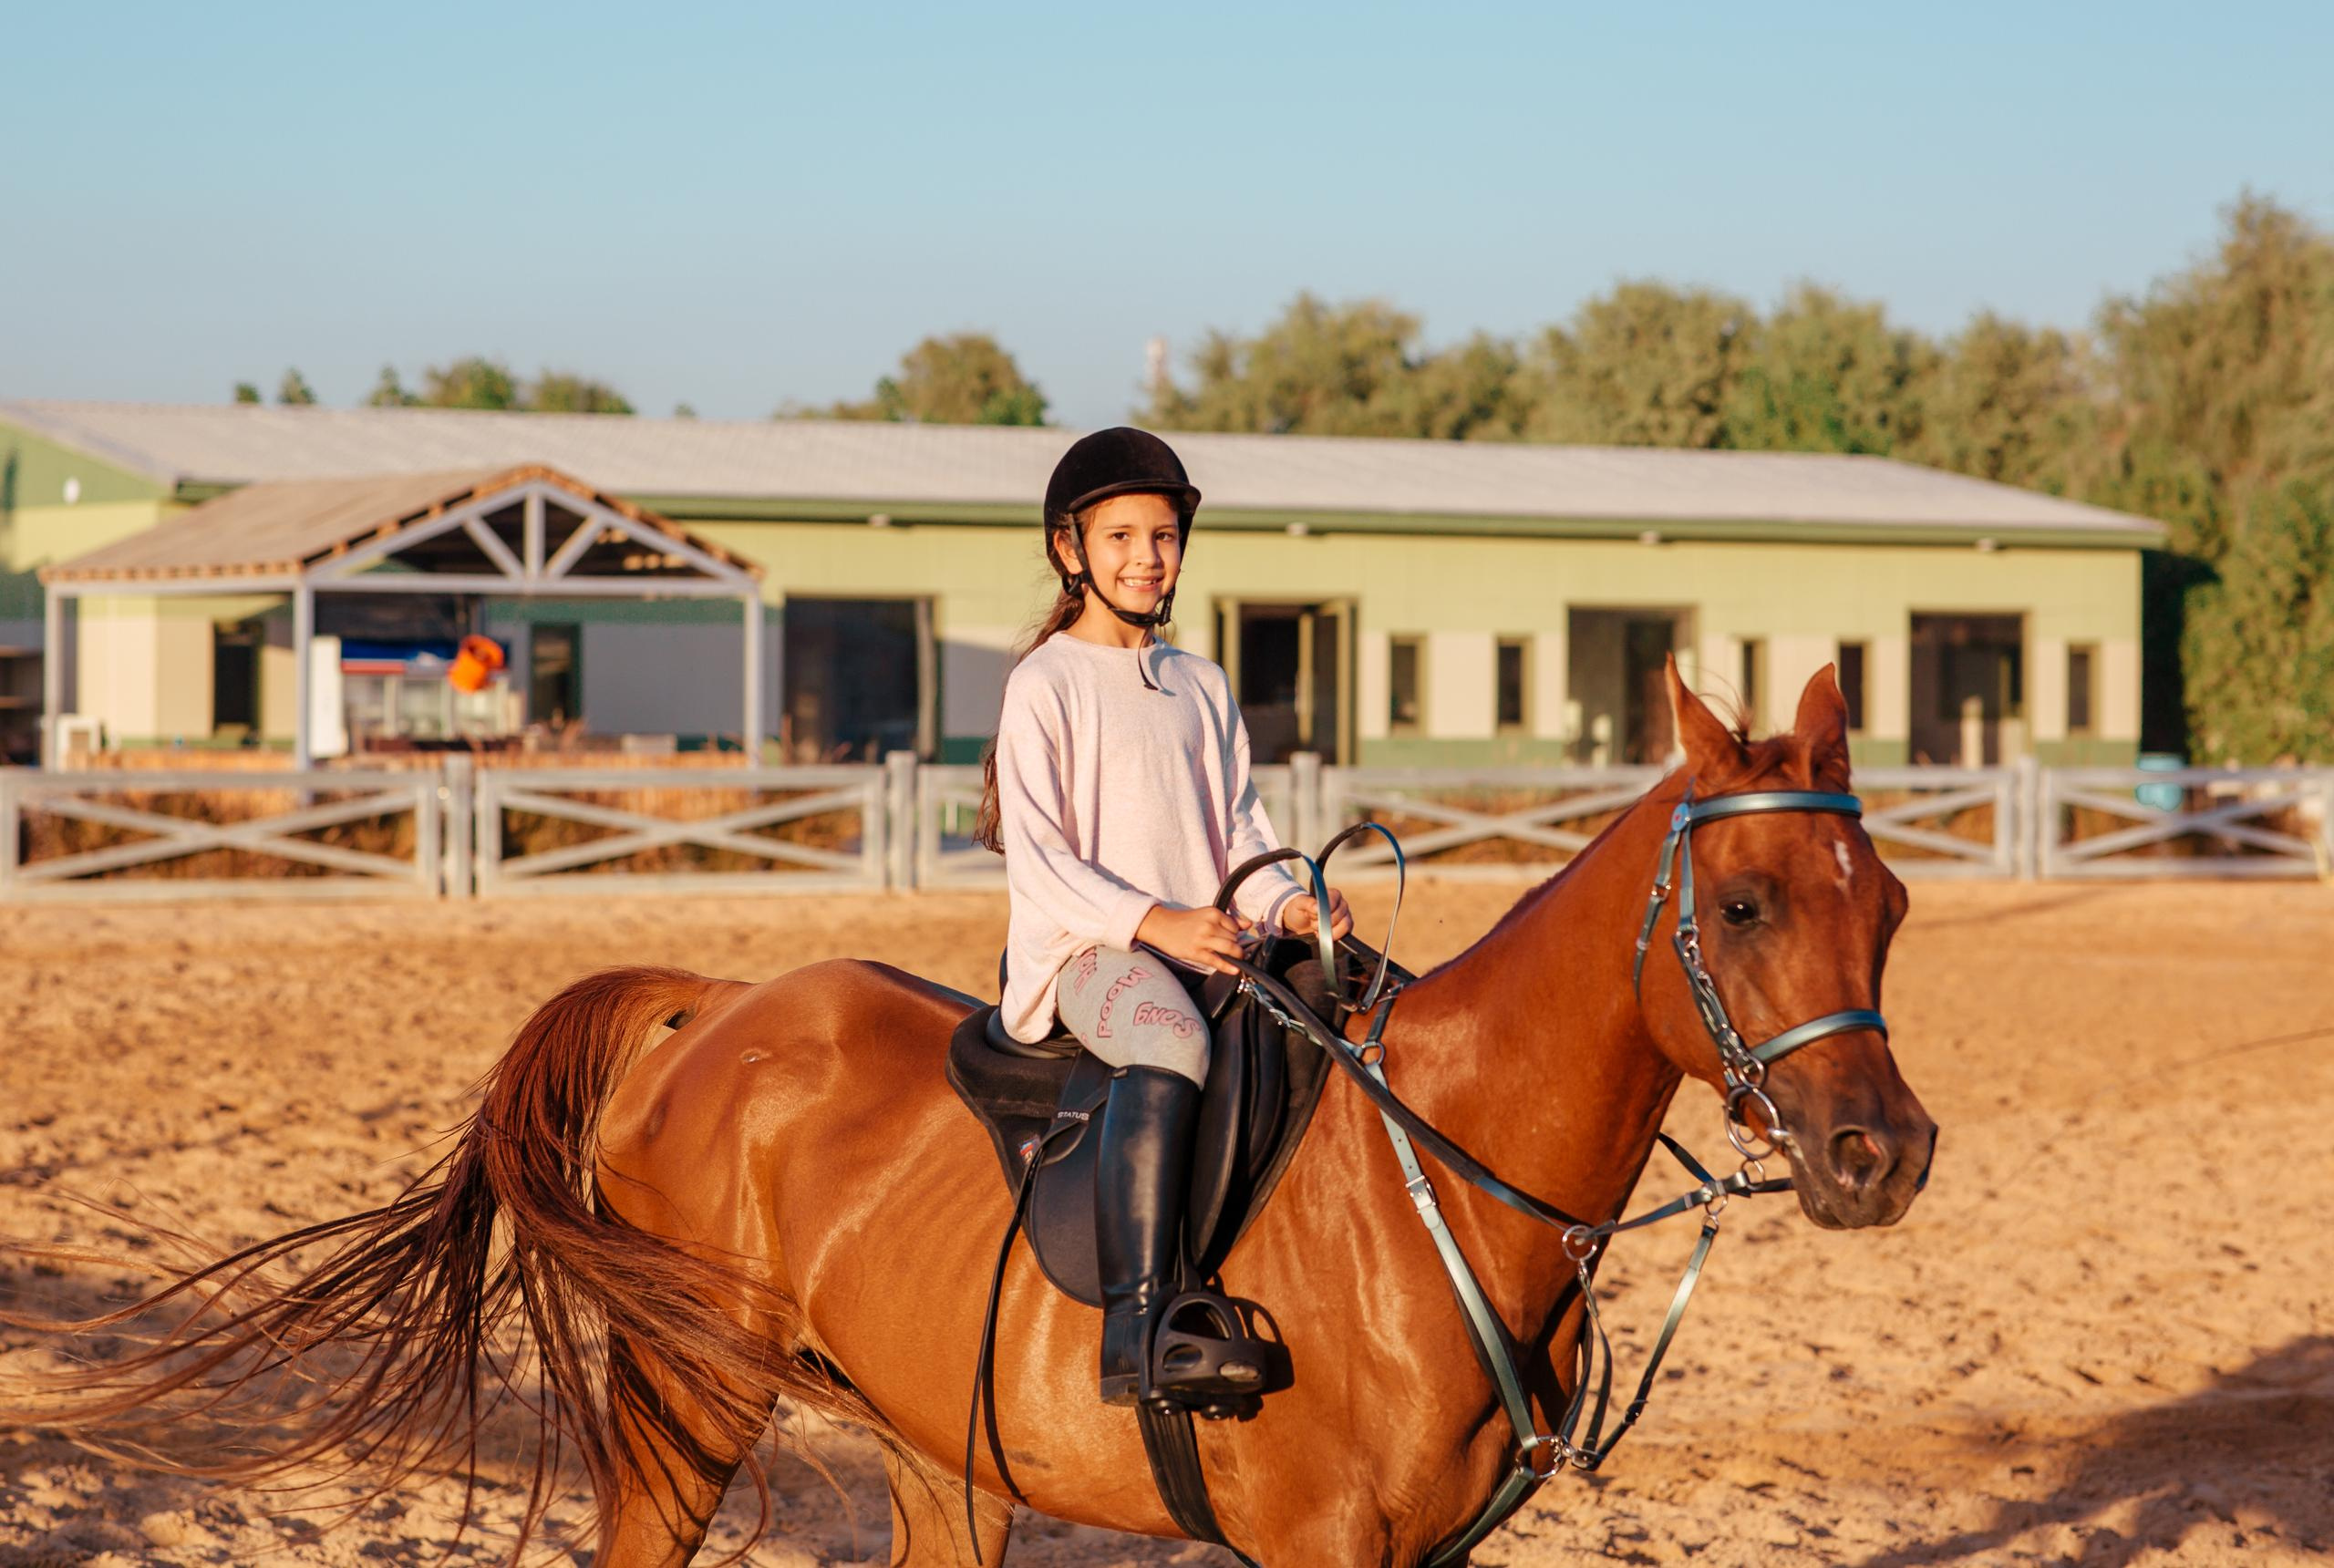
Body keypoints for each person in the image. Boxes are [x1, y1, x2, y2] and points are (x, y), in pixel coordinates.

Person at [974, 427, 1352, 1408]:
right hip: (1088, 953)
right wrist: (1156, 924)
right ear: (1071, 549)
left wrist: (1290, 901)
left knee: (1344, 1007)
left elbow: (1234, 832)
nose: (1146, 556)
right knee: (1172, 1040)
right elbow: (1044, 858)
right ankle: (1141, 1327)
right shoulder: (1045, 683)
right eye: (1121, 536)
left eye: (1164, 536)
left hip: (1201, 934)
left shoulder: (1202, 683)